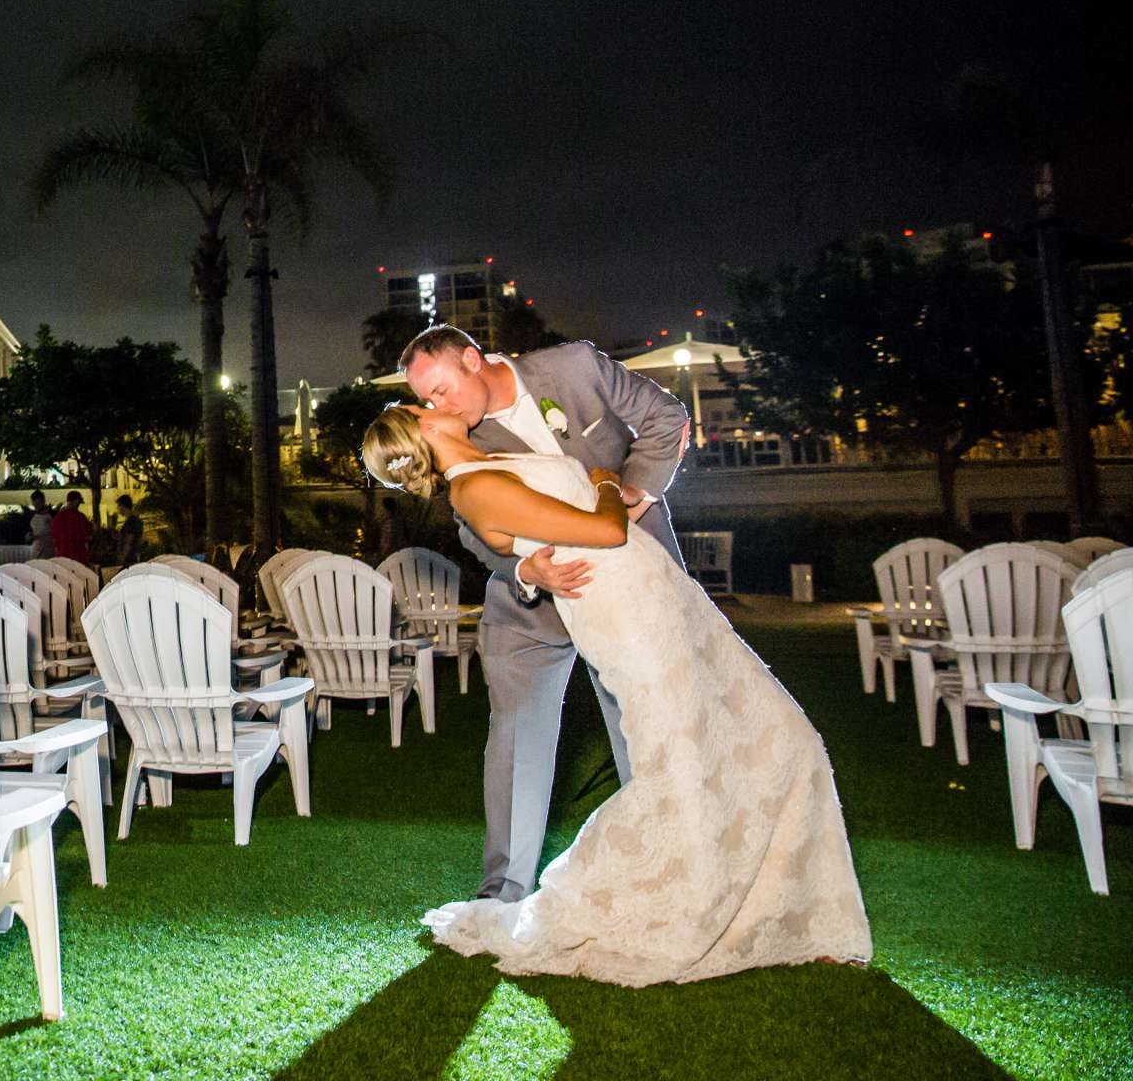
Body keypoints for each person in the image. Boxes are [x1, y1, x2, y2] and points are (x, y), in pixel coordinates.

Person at [363, 397, 869, 984]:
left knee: (781, 734)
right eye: (420, 405)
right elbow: (604, 528)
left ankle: (791, 913)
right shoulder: (474, 488)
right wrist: (606, 481)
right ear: (423, 429)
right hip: (628, 620)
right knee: (677, 764)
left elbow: (527, 542)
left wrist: (531, 557)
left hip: (660, 596)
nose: (434, 402)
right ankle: (673, 911)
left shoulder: (491, 459)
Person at [402, 325, 689, 904]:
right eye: (428, 400)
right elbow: (471, 524)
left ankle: (663, 872)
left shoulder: (575, 368)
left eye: (442, 389)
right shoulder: (457, 435)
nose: (439, 406)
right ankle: (502, 890)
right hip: (529, 610)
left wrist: (635, 494)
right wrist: (523, 572)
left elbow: (667, 417)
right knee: (515, 739)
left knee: (645, 728)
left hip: (626, 587)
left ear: (472, 358)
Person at [49, 490, 92, 563]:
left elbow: (54, 538)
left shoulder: (58, 518)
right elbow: (87, 537)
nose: (79, 505)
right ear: (76, 501)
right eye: (78, 503)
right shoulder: (81, 517)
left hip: (63, 557)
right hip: (79, 557)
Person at [113, 494, 145, 564]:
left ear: (123, 506)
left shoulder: (130, 522)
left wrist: (122, 558)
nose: (118, 509)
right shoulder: (137, 520)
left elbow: (128, 542)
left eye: (118, 506)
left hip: (129, 559)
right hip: (135, 557)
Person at [25, 489, 53, 554]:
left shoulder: (50, 515)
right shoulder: (31, 516)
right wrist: (29, 536)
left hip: (48, 549)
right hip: (36, 549)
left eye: (38, 503)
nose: (36, 506)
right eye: (34, 504)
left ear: (43, 501)